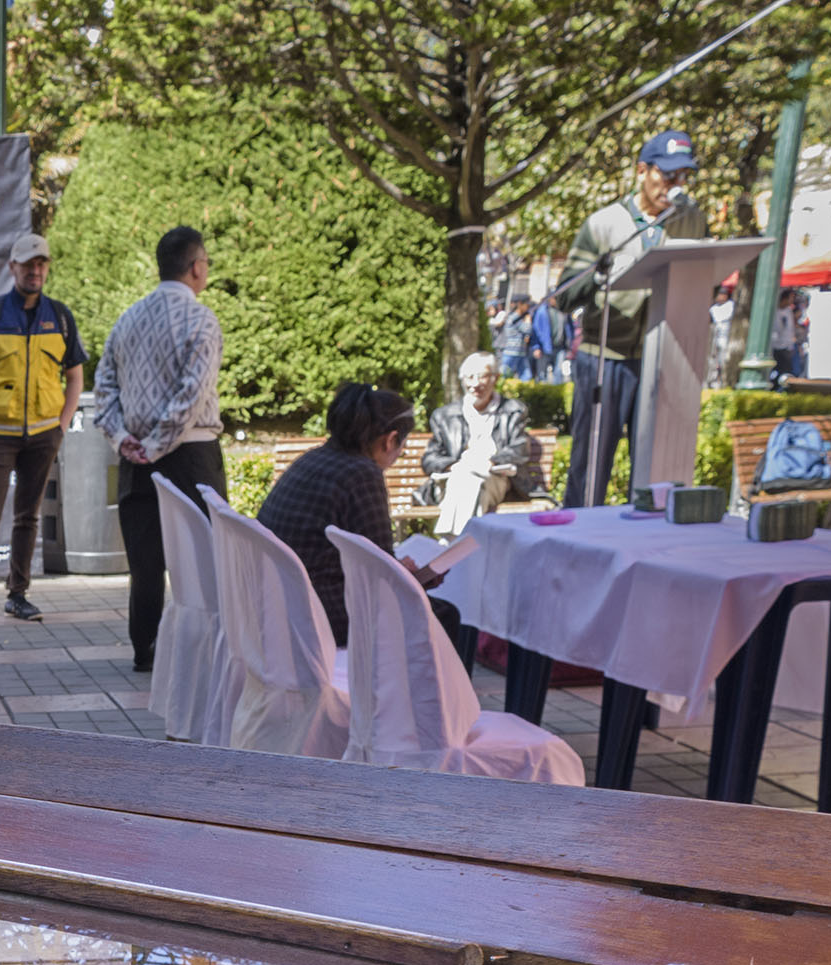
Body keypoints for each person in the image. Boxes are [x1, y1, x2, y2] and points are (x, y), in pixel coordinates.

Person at [96, 223, 227, 677]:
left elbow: (104, 387)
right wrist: (156, 445)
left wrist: (123, 439)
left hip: (133, 459)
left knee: (144, 561)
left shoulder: (127, 319)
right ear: (196, 267)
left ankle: (145, 647)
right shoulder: (201, 320)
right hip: (192, 456)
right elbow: (193, 394)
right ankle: (205, 651)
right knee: (204, 560)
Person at [554, 131, 707, 505]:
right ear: (642, 171)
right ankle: (580, 532)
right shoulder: (605, 223)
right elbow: (564, 295)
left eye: (683, 176)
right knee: (589, 469)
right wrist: (601, 275)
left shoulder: (693, 221)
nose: (675, 185)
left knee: (656, 474)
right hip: (604, 359)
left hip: (662, 361)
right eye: (667, 175)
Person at [0, 231, 89, 625]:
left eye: (41, 264)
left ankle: (18, 595)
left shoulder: (60, 316)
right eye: (28, 264)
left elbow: (75, 375)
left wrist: (61, 425)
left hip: (43, 436)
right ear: (12, 267)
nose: (35, 271)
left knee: (28, 518)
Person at [258, 382, 448, 645]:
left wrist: (397, 569)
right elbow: (380, 575)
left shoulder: (313, 458)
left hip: (277, 598)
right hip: (316, 611)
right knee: (444, 615)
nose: (399, 455)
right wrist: (417, 576)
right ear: (390, 440)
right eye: (402, 447)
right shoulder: (362, 474)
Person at [419, 353, 541, 537]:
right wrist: (455, 466)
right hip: (452, 480)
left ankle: (451, 540)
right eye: (469, 377)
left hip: (494, 478)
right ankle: (466, 542)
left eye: (482, 376)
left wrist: (490, 463)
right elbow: (430, 458)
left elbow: (520, 448)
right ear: (462, 380)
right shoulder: (444, 416)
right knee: (466, 476)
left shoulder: (513, 411)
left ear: (495, 378)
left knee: (474, 478)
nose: (475, 384)